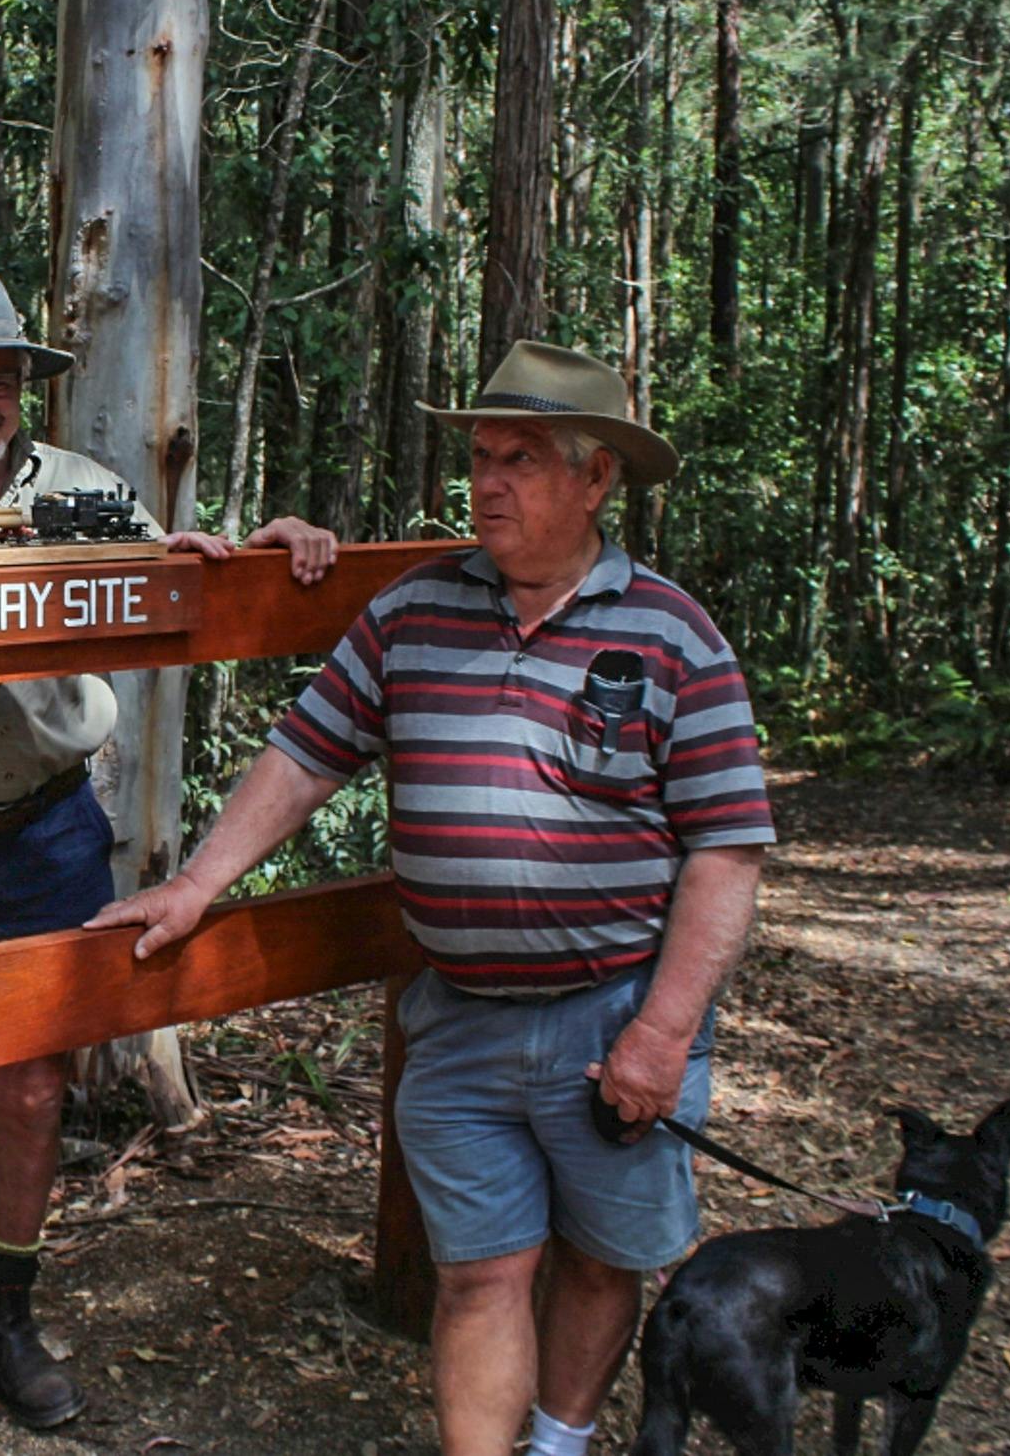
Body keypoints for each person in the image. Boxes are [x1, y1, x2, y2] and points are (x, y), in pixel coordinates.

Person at [88, 341, 777, 1456]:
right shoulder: (415, 613)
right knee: (478, 1272)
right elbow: (306, 754)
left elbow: (726, 851)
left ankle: (557, 1442)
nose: (486, 482)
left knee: (602, 1259)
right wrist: (199, 882)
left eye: (519, 459)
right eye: (479, 456)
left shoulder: (671, 633)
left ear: (595, 477)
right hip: (456, 1018)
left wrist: (663, 1030)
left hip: (614, 1016)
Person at [0, 267, 339, 1452]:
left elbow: (178, 579)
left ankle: (5, 1306)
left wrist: (263, 554)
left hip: (45, 829)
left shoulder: (87, 490)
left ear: (25, 391)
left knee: (34, 1086)